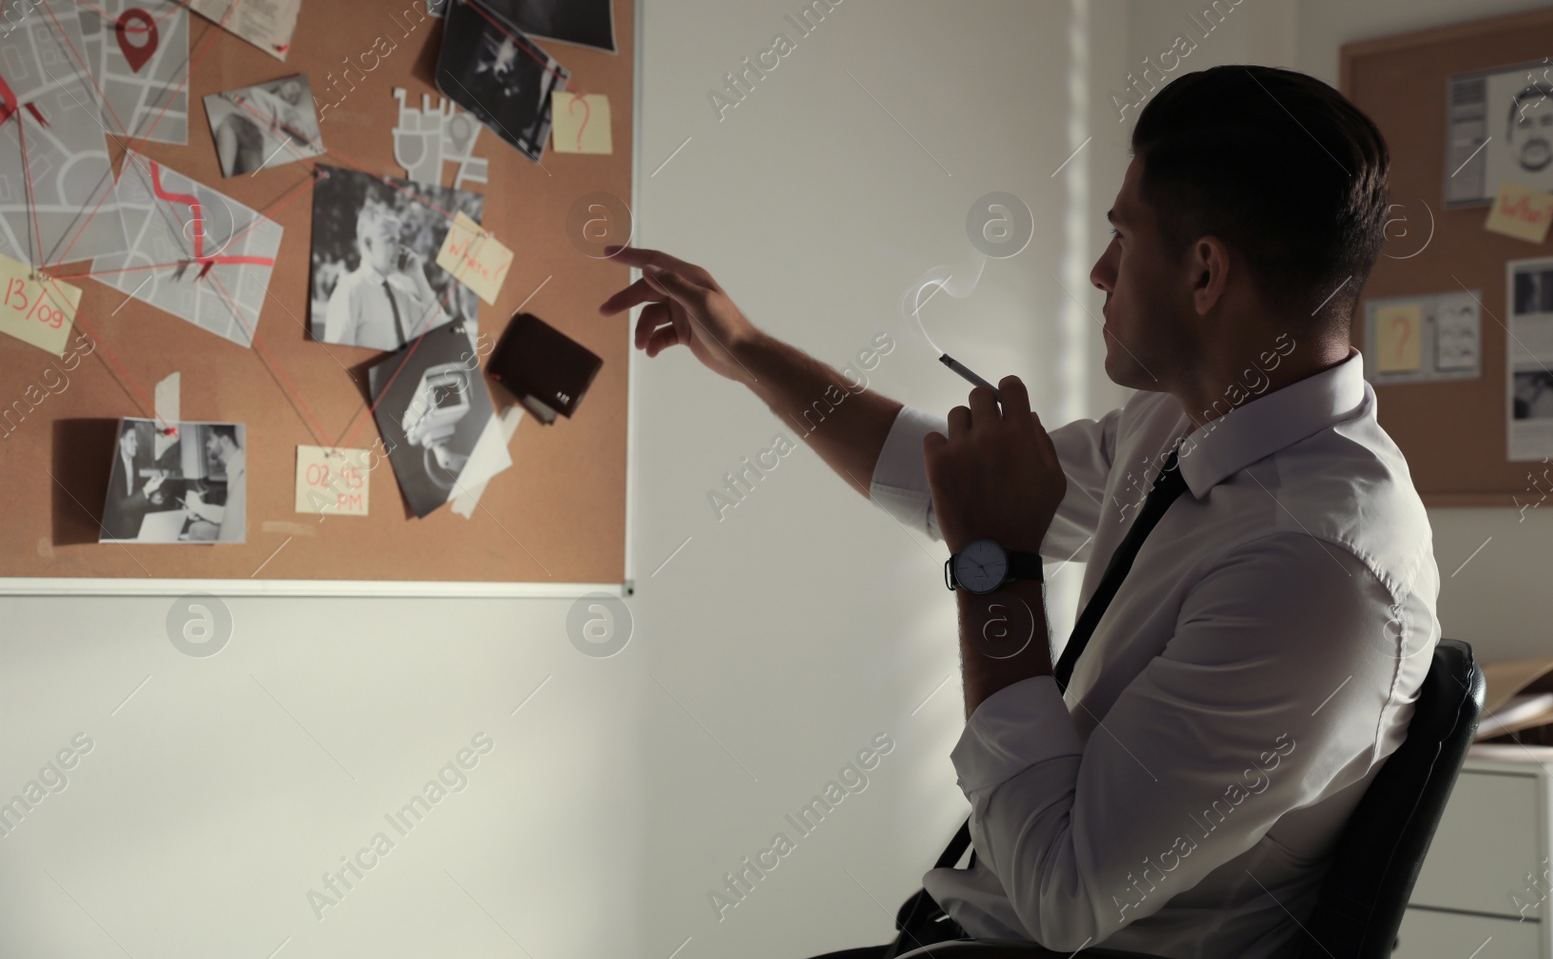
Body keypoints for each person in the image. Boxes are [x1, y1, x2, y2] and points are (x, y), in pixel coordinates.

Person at [599, 65, 1440, 958]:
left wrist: (993, 569)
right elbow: (943, 483)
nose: (1099, 270)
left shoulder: (1316, 573)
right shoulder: (1185, 425)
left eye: (1123, 235)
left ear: (1204, 272)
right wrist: (746, 350)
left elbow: (1063, 896)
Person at [322, 203, 443, 350]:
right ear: (368, 244)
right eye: (390, 241)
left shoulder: (399, 293)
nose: (399, 249)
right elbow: (335, 358)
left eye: (398, 241)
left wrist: (418, 276)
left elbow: (439, 326)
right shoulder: (350, 291)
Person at [101, 422, 169, 540]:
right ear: (121, 442)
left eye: (136, 439)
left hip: (131, 516)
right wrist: (146, 490)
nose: (136, 444)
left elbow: (135, 495)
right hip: (112, 524)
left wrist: (151, 498)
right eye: (131, 439)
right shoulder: (113, 466)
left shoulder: (134, 461)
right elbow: (119, 506)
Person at [183, 425, 245, 543]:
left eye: (210, 439)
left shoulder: (240, 470)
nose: (206, 445)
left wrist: (199, 507)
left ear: (224, 441)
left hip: (241, 536)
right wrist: (200, 510)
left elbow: (232, 518)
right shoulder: (233, 467)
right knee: (196, 529)